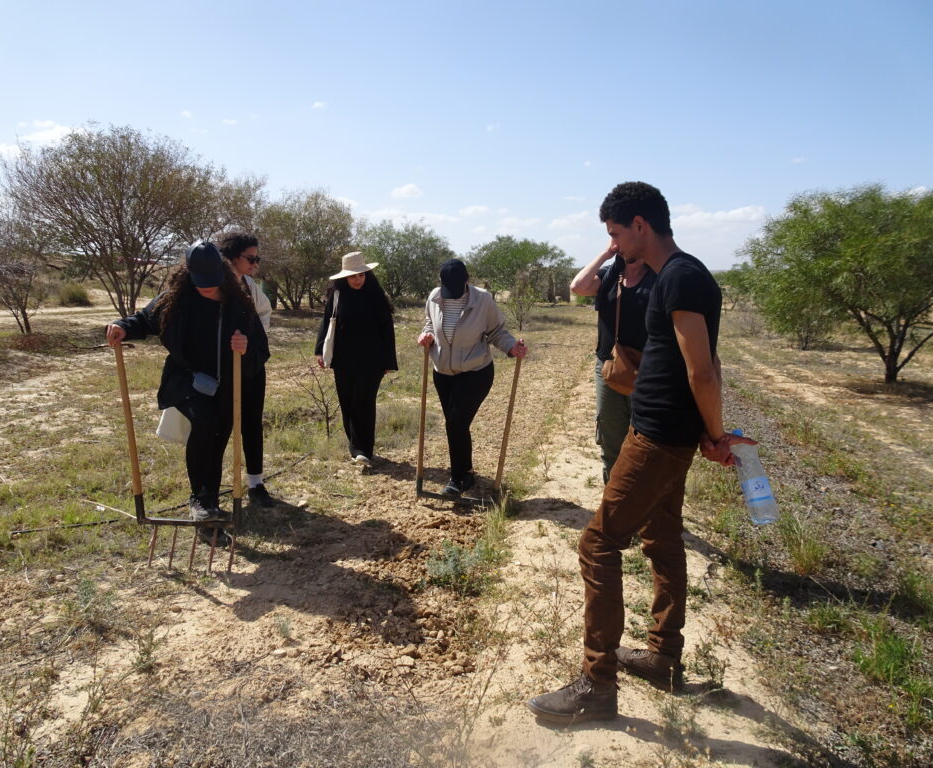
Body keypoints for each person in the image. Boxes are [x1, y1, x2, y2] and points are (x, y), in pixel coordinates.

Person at [528, 182, 755, 724]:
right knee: (661, 534)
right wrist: (707, 430)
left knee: (598, 543)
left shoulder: (681, 277)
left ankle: (597, 686)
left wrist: (717, 436)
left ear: (640, 225)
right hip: (662, 431)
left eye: (615, 234)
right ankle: (661, 657)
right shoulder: (675, 277)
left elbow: (704, 368)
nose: (614, 245)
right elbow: (695, 367)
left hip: (656, 437)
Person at [105, 241, 270, 525]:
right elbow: (144, 320)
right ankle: (200, 498)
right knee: (204, 423)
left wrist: (245, 348)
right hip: (187, 378)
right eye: (200, 280)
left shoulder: (239, 304)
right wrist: (123, 326)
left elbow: (261, 348)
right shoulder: (174, 300)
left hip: (226, 383)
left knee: (218, 436)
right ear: (188, 273)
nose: (206, 287)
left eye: (212, 281)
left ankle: (209, 501)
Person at [417, 258, 528, 497]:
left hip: (475, 372)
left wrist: (511, 347)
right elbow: (429, 323)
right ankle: (464, 471)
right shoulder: (435, 297)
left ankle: (460, 478)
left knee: (456, 422)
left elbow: (497, 331)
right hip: (443, 373)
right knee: (454, 425)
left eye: (456, 290)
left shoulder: (482, 300)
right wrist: (426, 335)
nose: (451, 295)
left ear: (467, 282)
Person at [570, 240, 656, 484]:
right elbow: (578, 286)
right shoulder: (609, 275)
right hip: (609, 368)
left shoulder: (658, 277)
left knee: (645, 440)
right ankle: (613, 498)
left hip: (647, 371)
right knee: (610, 436)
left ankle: (642, 502)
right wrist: (606, 253)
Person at [314, 252, 398, 466]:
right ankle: (354, 447)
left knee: (363, 401)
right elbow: (327, 322)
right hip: (343, 359)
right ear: (345, 277)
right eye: (353, 276)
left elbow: (386, 328)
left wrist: (389, 361)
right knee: (347, 401)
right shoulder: (337, 295)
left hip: (372, 361)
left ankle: (364, 450)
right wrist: (319, 351)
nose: (358, 279)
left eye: (361, 275)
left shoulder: (375, 295)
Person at [218, 231, 276, 507]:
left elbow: (264, 314)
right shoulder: (214, 285)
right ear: (232, 257)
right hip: (222, 370)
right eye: (250, 258)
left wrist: (252, 341)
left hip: (251, 365)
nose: (255, 264)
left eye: (257, 258)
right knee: (219, 427)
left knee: (252, 423)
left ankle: (256, 482)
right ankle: (208, 491)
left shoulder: (251, 286)